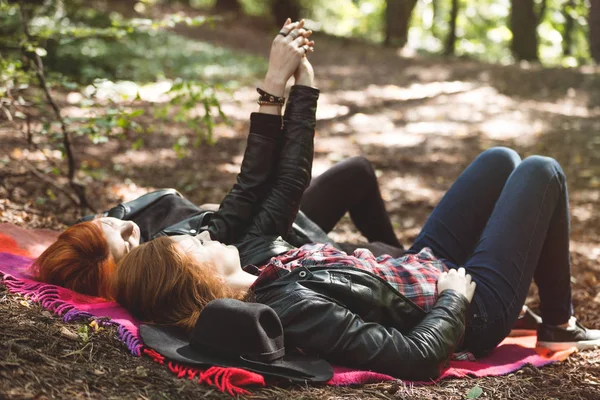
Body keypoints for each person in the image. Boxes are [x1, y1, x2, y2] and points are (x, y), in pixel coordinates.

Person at [113, 20, 600, 381]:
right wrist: (453, 299)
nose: (201, 233)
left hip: (417, 267)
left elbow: (284, 186)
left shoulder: (259, 256)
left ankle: (550, 315)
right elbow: (414, 356)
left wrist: (298, 90)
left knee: (499, 158)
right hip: (467, 310)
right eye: (193, 245)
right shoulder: (289, 307)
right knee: (542, 171)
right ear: (200, 278)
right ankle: (559, 324)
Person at [31, 19, 403, 300]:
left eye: (109, 223)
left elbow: (79, 247)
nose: (126, 227)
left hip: (267, 224)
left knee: (357, 173)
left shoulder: (97, 243)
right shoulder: (173, 259)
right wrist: (278, 87)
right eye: (125, 243)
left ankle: (406, 257)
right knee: (390, 259)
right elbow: (255, 189)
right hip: (275, 238)